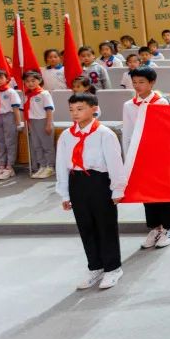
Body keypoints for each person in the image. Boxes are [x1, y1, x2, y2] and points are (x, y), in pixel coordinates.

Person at [56, 93, 127, 290]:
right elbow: (61, 164)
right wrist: (65, 193)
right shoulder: (66, 135)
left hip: (99, 181)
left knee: (105, 225)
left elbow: (115, 163)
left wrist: (117, 189)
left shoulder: (105, 134)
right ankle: (95, 266)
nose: (75, 113)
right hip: (76, 182)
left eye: (80, 109)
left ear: (94, 109)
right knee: (85, 226)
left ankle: (113, 268)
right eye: (71, 110)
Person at [121, 67, 170, 249]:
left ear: (152, 83)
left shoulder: (160, 102)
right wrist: (128, 158)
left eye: (141, 82)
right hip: (140, 155)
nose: (137, 86)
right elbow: (127, 133)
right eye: (134, 82)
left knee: (162, 191)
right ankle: (155, 228)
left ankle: (169, 228)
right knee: (146, 192)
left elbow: (168, 130)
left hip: (159, 154)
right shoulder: (129, 105)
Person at [0, 68, 22, 180]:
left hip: (9, 117)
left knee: (10, 142)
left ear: (7, 79)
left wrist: (18, 123)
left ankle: (9, 166)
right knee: (0, 142)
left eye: (1, 78)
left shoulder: (11, 92)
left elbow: (16, 108)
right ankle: (1, 165)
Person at [23, 70, 56, 179]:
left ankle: (50, 167)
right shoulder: (27, 94)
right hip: (32, 121)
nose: (30, 83)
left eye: (33, 81)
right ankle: (42, 165)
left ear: (39, 80)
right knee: (37, 145)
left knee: (47, 145)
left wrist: (49, 124)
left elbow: (49, 109)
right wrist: (26, 125)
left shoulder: (44, 93)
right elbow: (26, 111)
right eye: (27, 81)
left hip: (43, 121)